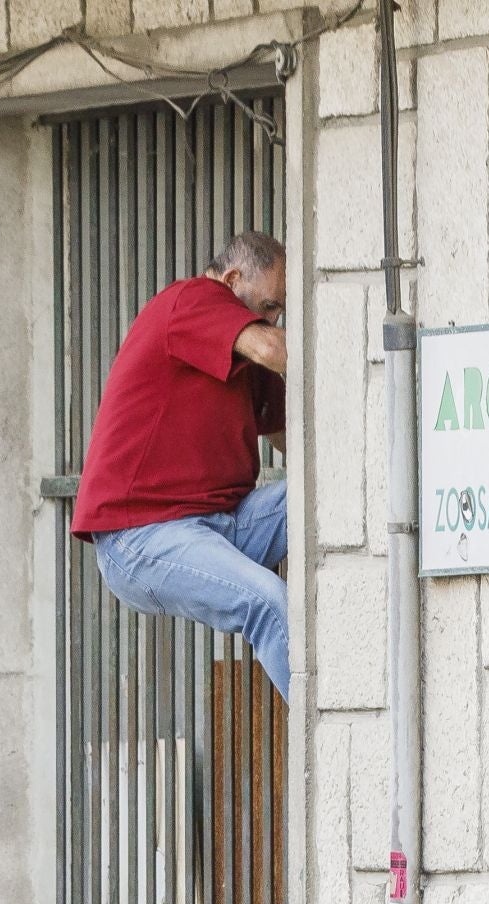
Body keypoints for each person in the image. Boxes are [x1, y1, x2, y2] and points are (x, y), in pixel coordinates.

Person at [71, 231, 290, 700]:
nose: (274, 320)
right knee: (268, 601)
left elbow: (288, 437)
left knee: (322, 496)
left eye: (280, 312)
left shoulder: (248, 345)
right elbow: (276, 351)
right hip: (140, 535)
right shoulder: (192, 299)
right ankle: (333, 736)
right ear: (231, 280)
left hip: (221, 523)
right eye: (270, 306)